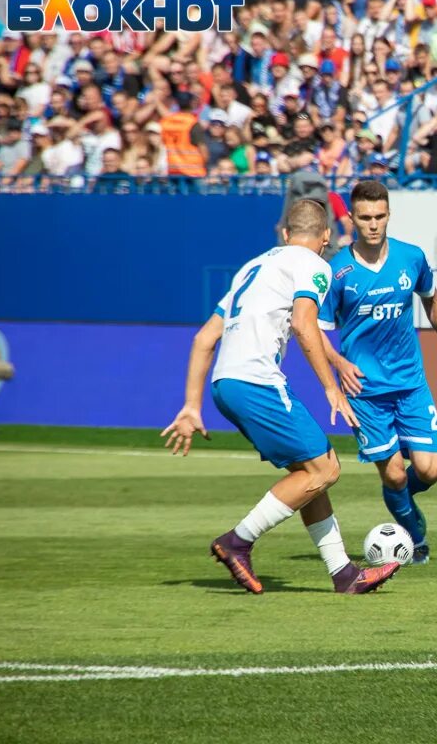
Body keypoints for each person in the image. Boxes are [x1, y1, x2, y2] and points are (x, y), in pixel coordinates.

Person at [161, 199, 399, 596]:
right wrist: (330, 387)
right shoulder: (314, 265)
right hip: (257, 381)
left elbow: (203, 339)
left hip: (225, 384)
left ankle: (344, 575)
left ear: (285, 234)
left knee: (309, 472)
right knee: (325, 470)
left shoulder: (252, 268)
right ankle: (237, 541)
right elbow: (304, 325)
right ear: (325, 238)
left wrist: (191, 405)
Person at [319, 181, 437, 565]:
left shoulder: (411, 257)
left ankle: (400, 498)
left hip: (411, 383)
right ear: (351, 218)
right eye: (365, 218)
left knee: (429, 470)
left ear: (389, 216)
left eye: (380, 217)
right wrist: (338, 362)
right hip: (365, 391)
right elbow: (316, 332)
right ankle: (415, 537)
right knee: (396, 477)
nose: (373, 225)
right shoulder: (337, 271)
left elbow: (432, 301)